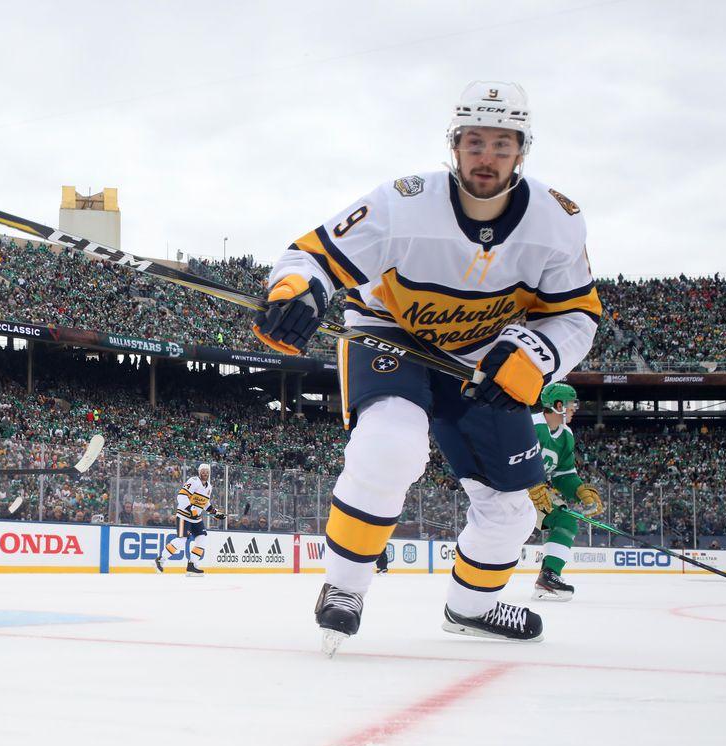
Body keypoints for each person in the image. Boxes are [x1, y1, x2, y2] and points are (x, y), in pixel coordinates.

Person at [251, 81, 600, 654]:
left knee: (512, 508)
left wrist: (533, 357)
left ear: (522, 151)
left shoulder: (559, 222)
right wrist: (299, 291)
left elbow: (577, 316)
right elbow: (310, 257)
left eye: (502, 145)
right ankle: (343, 588)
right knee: (390, 446)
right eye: (475, 142)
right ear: (455, 144)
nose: (487, 157)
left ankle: (474, 606)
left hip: (483, 358)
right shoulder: (401, 201)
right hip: (390, 331)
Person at [528, 382, 603, 601]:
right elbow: (508, 460)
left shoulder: (566, 435)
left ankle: (549, 577)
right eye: (571, 404)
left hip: (534, 494)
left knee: (567, 521)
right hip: (508, 491)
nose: (574, 409)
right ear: (558, 405)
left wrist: (581, 492)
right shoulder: (531, 425)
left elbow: (563, 474)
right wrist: (529, 484)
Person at [154, 462, 224, 576]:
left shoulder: (209, 487)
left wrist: (216, 513)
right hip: (184, 516)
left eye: (207, 471)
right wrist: (191, 509)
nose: (205, 473)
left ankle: (192, 565)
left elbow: (205, 504)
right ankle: (161, 559)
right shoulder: (194, 481)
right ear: (199, 472)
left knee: (202, 540)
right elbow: (181, 496)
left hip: (196, 519)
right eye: (203, 471)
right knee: (182, 541)